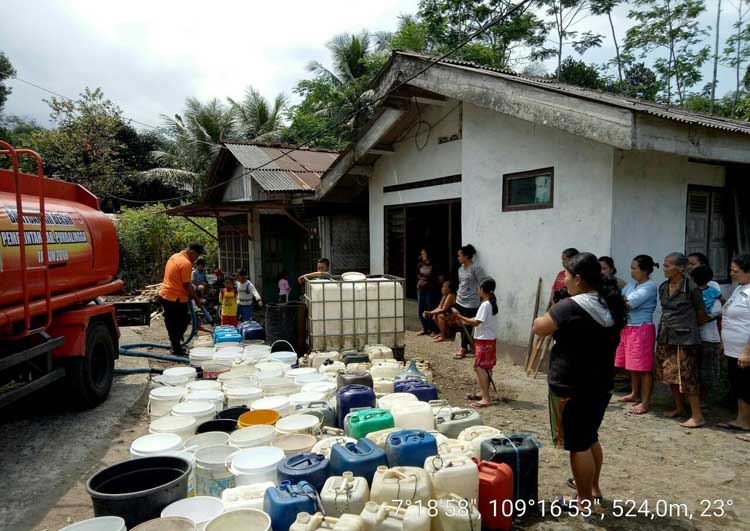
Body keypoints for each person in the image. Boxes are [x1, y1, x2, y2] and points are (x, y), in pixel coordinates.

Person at [532, 252, 626, 509]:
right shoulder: (610, 304)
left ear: (579, 278)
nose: (564, 280)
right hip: (601, 383)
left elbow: (539, 327)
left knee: (578, 444)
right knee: (590, 436)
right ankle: (593, 489)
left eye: (567, 276)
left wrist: (555, 306)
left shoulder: (571, 307)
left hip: (571, 384)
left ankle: (583, 502)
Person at [655, 252, 709, 428]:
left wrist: (689, 328)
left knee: (688, 376)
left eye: (668, 265)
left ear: (680, 268)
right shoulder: (663, 286)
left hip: (686, 338)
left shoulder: (691, 288)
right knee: (669, 373)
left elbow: (701, 314)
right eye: (664, 265)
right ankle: (679, 408)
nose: (664, 268)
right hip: (666, 335)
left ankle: (697, 415)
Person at [615, 255, 658, 414]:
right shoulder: (633, 284)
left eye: (635, 268)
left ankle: (645, 402)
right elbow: (621, 299)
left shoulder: (649, 287)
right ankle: (635, 393)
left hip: (641, 328)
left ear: (645, 270)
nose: (632, 272)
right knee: (633, 365)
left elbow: (628, 304)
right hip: (628, 327)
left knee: (644, 368)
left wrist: (618, 302)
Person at [717, 254, 750, 440]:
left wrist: (747, 351)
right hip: (733, 349)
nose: (732, 274)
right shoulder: (739, 289)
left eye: (736, 271)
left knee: (748, 385)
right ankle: (742, 420)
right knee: (740, 385)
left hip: (745, 350)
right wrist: (724, 343)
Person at [454, 278, 499, 409]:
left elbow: (476, 322)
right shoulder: (488, 303)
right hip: (487, 339)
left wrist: (460, 316)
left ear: (483, 290)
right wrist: (464, 319)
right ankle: (483, 392)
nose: (478, 290)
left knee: (479, 367)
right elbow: (476, 320)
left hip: (485, 340)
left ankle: (486, 398)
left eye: (479, 288)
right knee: (486, 367)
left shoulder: (486, 305)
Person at [159, 242, 204, 356]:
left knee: (172, 323)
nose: (196, 259)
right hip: (176, 298)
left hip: (167, 295)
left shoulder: (175, 256)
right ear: (192, 252)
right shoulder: (186, 263)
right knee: (181, 322)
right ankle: (177, 348)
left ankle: (176, 344)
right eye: (197, 256)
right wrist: (197, 300)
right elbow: (187, 285)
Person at [690, 265, 723, 399]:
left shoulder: (697, 291)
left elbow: (718, 309)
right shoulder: (712, 291)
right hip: (696, 335)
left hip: (706, 336)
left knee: (704, 369)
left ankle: (702, 399)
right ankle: (698, 399)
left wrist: (700, 320)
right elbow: (722, 304)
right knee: (698, 369)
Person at [454, 244, 488, 360]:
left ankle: (463, 347)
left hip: (471, 301)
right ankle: (465, 345)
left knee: (467, 324)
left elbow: (483, 282)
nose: (458, 257)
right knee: (460, 323)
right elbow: (461, 284)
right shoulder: (460, 270)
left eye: (460, 255)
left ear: (466, 256)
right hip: (460, 299)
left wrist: (482, 298)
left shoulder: (476, 269)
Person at [417, 248, 439, 336]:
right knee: (421, 309)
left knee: (431, 309)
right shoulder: (420, 264)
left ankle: (433, 329)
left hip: (431, 289)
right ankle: (425, 328)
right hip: (421, 288)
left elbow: (439, 278)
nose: (422, 256)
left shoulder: (434, 265)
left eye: (423, 254)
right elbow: (418, 275)